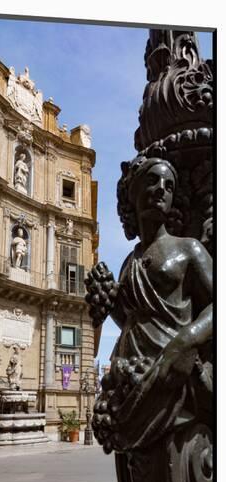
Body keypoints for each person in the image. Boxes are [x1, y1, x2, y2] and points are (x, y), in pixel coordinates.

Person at [85, 155, 212, 452]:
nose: (161, 189)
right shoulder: (130, 262)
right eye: (152, 181)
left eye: (169, 185)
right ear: (135, 193)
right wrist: (107, 304)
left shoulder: (188, 249)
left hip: (171, 375)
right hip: (131, 376)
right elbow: (134, 320)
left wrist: (187, 340)